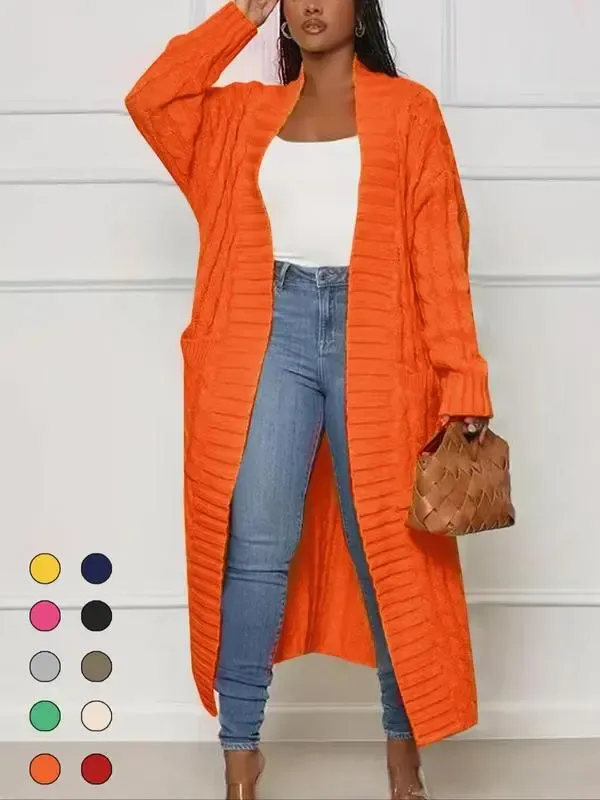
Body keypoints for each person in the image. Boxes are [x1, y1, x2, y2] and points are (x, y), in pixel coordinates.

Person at [125, 1, 493, 797]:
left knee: (388, 548)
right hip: (268, 332)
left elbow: (440, 252)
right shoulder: (242, 116)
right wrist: (239, 16)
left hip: (380, 339)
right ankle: (240, 752)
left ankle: (402, 749)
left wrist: (462, 376)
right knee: (256, 545)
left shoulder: (410, 110)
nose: (313, 3)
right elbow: (152, 99)